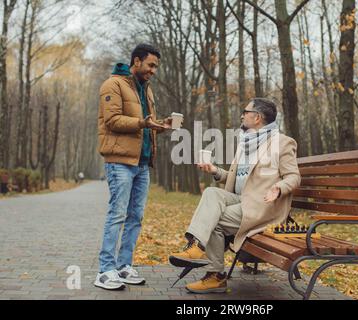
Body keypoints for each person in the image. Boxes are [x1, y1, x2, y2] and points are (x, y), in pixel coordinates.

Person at [169, 98, 301, 294]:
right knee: (211, 192)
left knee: (215, 220)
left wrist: (279, 188)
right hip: (241, 201)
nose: (242, 115)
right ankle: (197, 247)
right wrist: (215, 171)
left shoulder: (282, 143)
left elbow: (294, 176)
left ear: (257, 117)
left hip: (263, 207)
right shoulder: (246, 142)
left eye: (245, 111)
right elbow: (238, 179)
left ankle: (215, 275)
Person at [95, 43, 173, 290]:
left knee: (135, 217)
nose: (153, 70)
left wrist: (159, 125)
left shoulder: (147, 90)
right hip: (120, 161)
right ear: (136, 61)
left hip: (142, 163)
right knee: (117, 215)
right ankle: (105, 271)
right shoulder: (113, 84)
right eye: (150, 65)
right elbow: (113, 120)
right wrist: (143, 122)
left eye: (156, 67)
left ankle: (124, 266)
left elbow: (144, 124)